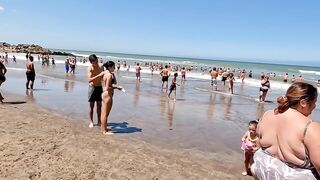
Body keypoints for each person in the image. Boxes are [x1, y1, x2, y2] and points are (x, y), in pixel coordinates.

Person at [251, 82, 320, 179]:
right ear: (303, 103)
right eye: (314, 102)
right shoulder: (310, 127)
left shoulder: (267, 115)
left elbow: (258, 141)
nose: (314, 106)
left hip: (262, 172)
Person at [100, 61, 123, 135]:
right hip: (107, 95)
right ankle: (104, 131)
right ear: (109, 67)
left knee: (105, 113)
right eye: (113, 67)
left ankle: (103, 128)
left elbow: (114, 82)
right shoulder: (109, 75)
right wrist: (117, 88)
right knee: (105, 114)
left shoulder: (106, 73)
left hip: (104, 94)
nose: (115, 68)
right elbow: (107, 87)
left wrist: (113, 75)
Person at [87, 54, 104, 128]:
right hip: (92, 88)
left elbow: (104, 76)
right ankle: (91, 121)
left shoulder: (101, 66)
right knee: (91, 106)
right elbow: (89, 80)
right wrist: (99, 75)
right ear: (91, 62)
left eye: (97, 61)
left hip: (100, 87)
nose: (96, 63)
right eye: (94, 62)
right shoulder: (90, 68)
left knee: (99, 106)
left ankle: (99, 121)